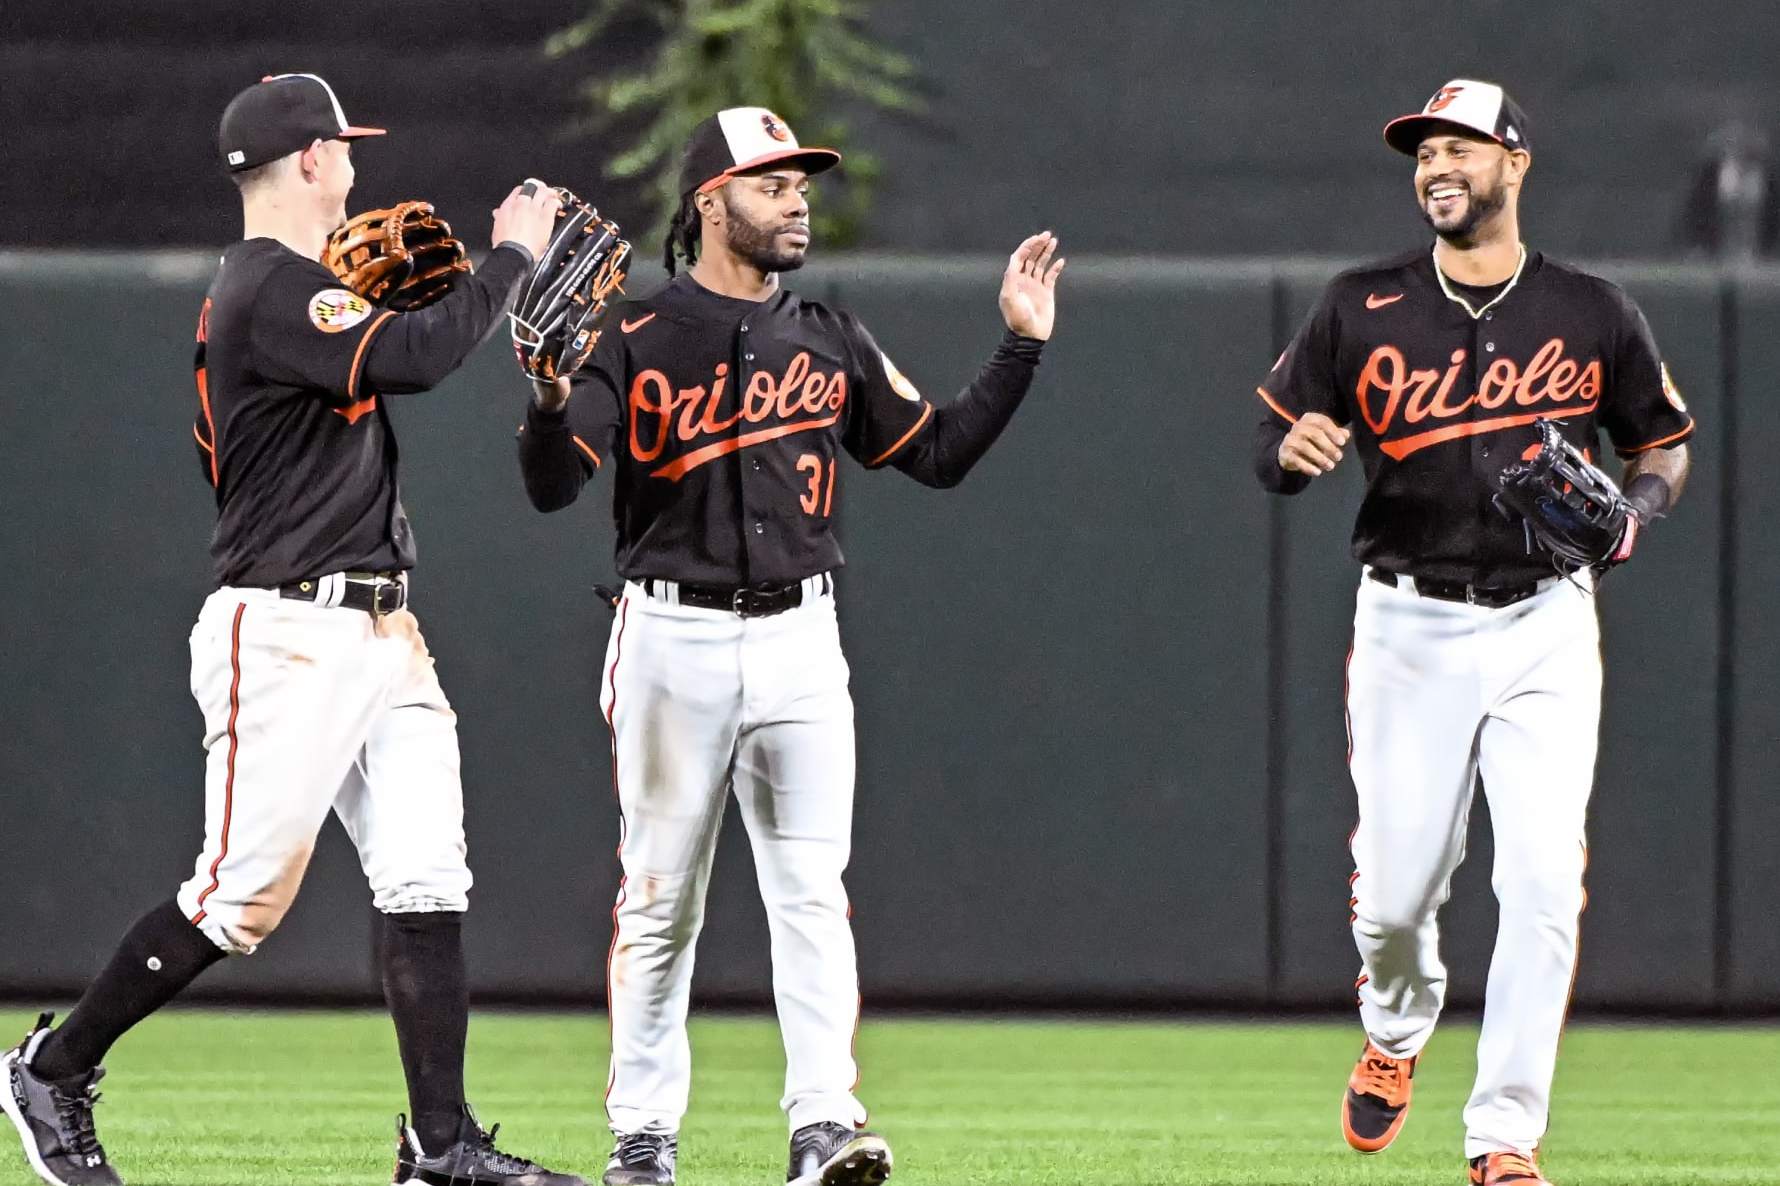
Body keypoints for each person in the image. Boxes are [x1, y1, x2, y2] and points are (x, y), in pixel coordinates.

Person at [0, 73, 584, 1186]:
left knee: (425, 877)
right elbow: (412, 358)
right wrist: (511, 256)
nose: (355, 166)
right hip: (288, 631)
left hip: (379, 630)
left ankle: (442, 1148)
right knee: (239, 898)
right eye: (344, 149)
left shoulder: (286, 293)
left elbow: (380, 359)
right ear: (313, 160)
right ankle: (52, 1068)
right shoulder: (268, 286)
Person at [514, 107, 1063, 1186]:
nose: (797, 197)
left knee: (812, 892)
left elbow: (939, 451)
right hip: (671, 634)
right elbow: (552, 484)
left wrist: (1020, 345)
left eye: (801, 181)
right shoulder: (631, 337)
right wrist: (541, 401)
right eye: (772, 182)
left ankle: (822, 1125)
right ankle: (642, 1139)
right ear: (710, 201)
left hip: (804, 637)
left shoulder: (828, 332)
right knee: (661, 898)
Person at [1252, 79, 1694, 1186]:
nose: (1435, 165)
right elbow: (1273, 440)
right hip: (1407, 622)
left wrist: (1632, 514)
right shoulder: (1358, 305)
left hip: (1545, 619)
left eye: (1460, 147)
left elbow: (1663, 444)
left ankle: (1502, 1137)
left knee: (1544, 883)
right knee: (1398, 896)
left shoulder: (1592, 310)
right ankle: (1395, 1035)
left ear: (1514, 164)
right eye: (1422, 152)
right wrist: (1288, 454)